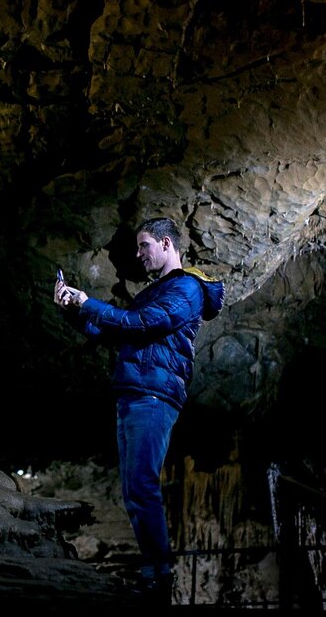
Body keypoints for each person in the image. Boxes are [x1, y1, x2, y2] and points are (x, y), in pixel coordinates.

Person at [53, 217, 225, 604]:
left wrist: (89, 302)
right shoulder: (157, 291)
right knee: (134, 489)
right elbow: (116, 331)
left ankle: (158, 579)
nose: (138, 254)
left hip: (154, 393)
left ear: (167, 244)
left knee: (143, 485)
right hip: (135, 390)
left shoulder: (187, 288)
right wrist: (73, 309)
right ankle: (154, 575)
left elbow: (145, 323)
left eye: (144, 245)